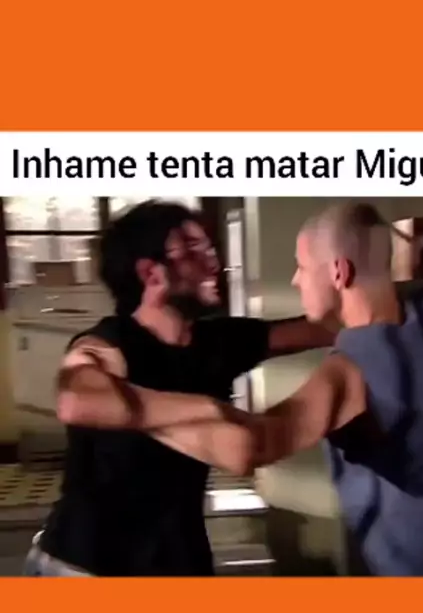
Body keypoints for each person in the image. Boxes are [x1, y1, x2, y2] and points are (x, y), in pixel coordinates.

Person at [154, 202, 423, 576]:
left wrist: (135, 407)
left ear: (339, 272)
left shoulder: (351, 370)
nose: (296, 279)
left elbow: (252, 445)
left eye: (303, 267)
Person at [24, 200, 338, 577]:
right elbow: (76, 400)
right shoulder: (108, 344)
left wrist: (395, 297)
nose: (213, 261)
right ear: (151, 273)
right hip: (82, 570)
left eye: (208, 246)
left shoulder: (219, 341)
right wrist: (210, 408)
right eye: (191, 248)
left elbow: (322, 328)